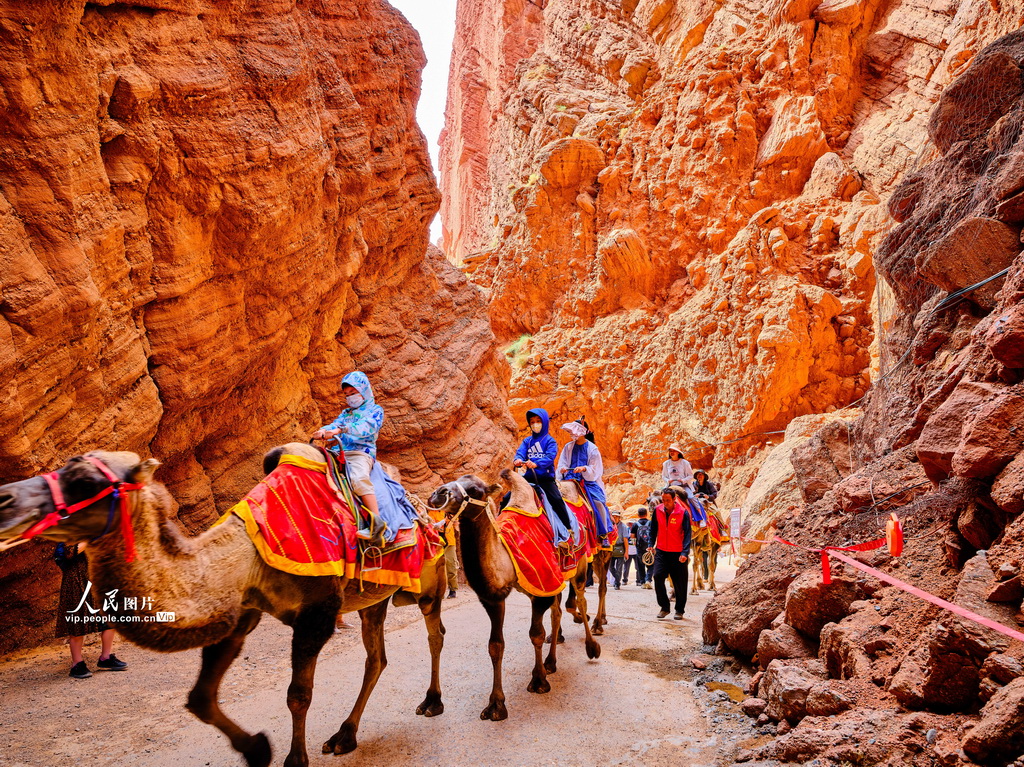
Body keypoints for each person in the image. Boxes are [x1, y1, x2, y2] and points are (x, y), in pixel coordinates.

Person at [313, 371, 385, 525]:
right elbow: (334, 426)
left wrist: (342, 430)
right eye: (346, 394)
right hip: (340, 452)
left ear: (364, 390)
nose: (350, 397)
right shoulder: (346, 413)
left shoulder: (375, 410)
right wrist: (324, 431)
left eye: (353, 392)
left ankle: (377, 523)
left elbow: (368, 427)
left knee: (358, 479)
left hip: (361, 453)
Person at [55, 543, 127, 679]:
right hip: (76, 580)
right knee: (78, 621)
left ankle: (105, 658)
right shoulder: (70, 530)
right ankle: (77, 664)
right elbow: (69, 553)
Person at [514, 408, 574, 546]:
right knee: (508, 498)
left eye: (538, 421)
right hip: (528, 478)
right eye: (532, 422)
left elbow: (550, 457)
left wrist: (536, 463)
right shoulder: (527, 441)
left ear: (545, 422)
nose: (535, 424)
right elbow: (520, 453)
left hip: (545, 479)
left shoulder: (550, 441)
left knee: (556, 499)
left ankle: (568, 530)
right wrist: (517, 460)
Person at [557, 421, 613, 543]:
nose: (571, 433)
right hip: (569, 479)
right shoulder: (568, 447)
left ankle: (603, 534)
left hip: (587, 481)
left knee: (598, 502)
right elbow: (563, 462)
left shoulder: (593, 449)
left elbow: (595, 470)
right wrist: (563, 469)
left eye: (574, 431)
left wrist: (584, 468)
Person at [650, 488, 692, 620]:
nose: (665, 503)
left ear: (674, 499)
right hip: (662, 551)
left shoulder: (683, 512)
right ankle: (664, 607)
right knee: (657, 576)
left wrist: (685, 552)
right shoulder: (657, 510)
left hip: (678, 552)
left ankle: (679, 610)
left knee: (680, 583)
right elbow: (653, 529)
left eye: (668, 500)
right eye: (663, 500)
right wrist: (651, 544)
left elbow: (687, 534)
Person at [630, 507, 654, 587]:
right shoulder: (651, 523)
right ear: (646, 514)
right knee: (651, 564)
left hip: (639, 548)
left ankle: (643, 582)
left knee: (640, 566)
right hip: (649, 547)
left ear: (638, 515)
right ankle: (648, 580)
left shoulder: (635, 524)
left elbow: (632, 537)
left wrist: (636, 545)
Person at [608, 510, 629, 589]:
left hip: (620, 548)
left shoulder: (623, 527)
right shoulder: (609, 525)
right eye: (613, 516)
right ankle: (617, 580)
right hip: (611, 548)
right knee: (610, 566)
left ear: (619, 518)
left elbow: (625, 540)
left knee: (619, 568)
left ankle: (617, 584)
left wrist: (626, 552)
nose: (615, 518)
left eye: (616, 516)